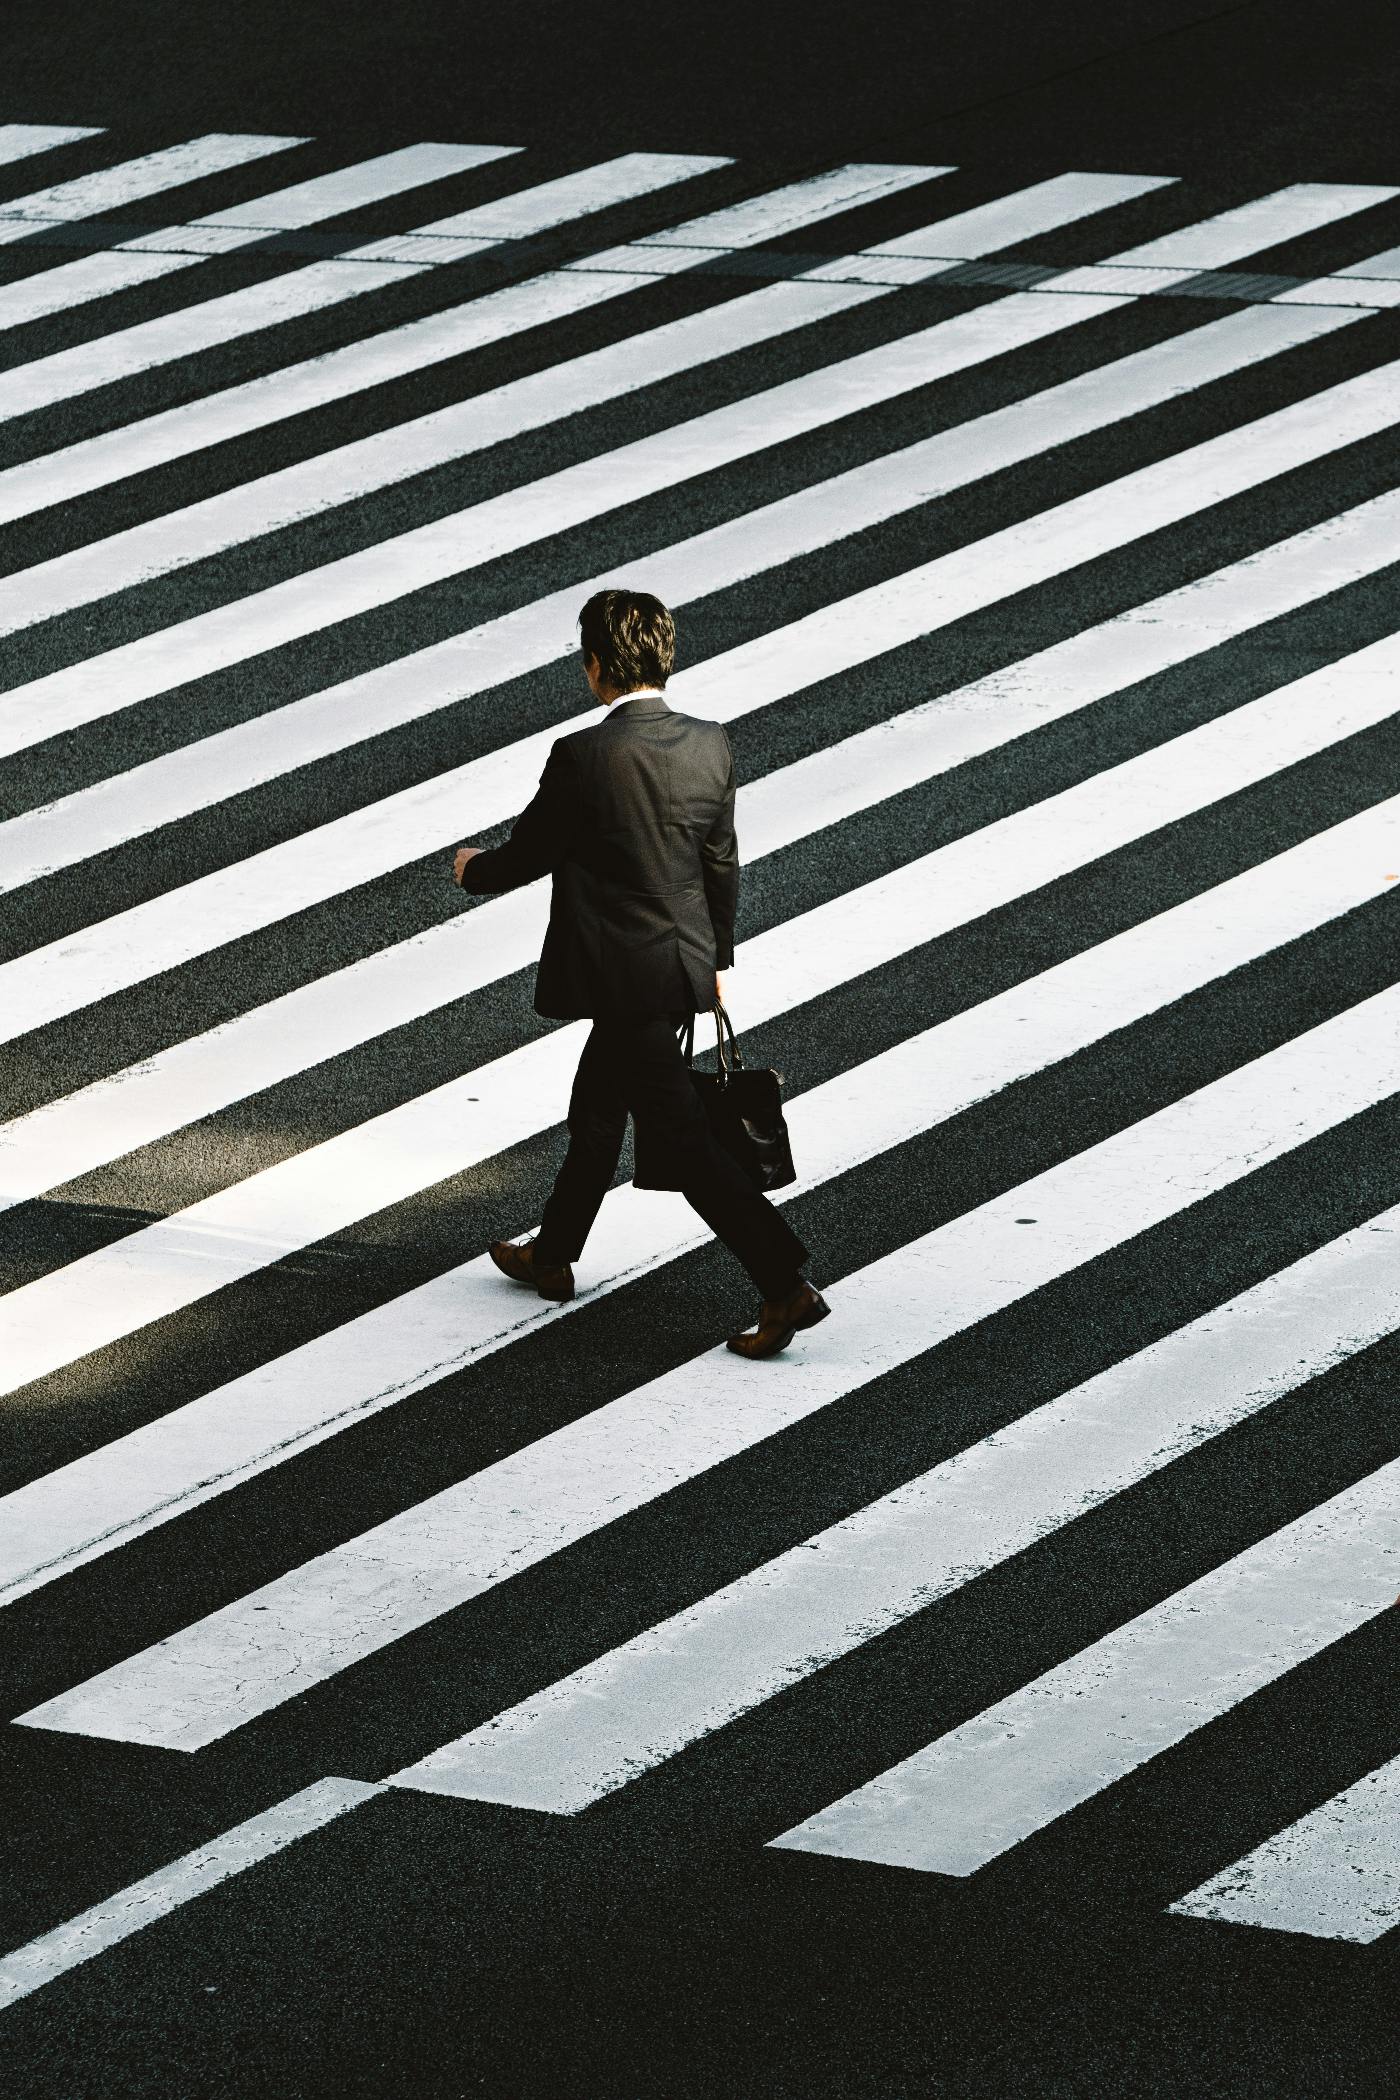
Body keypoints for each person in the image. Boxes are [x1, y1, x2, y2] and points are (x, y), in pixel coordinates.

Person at [453, 587, 829, 1359]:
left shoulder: (585, 756)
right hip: (676, 965)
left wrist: (469, 870)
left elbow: (528, 855)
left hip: (616, 975)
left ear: (595, 668)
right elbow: (719, 862)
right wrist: (714, 959)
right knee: (597, 1107)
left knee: (685, 1142)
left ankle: (784, 1283)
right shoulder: (710, 745)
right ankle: (553, 1251)